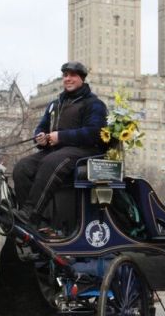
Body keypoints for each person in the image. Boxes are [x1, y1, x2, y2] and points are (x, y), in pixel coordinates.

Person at [12, 61, 108, 225]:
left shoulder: (94, 104)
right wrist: (40, 137)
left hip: (84, 151)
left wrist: (60, 137)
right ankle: (38, 221)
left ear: (82, 79)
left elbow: (94, 133)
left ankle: (30, 214)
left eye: (73, 75)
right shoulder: (54, 104)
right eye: (65, 75)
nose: (68, 79)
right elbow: (41, 127)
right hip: (55, 150)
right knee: (22, 167)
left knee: (51, 162)